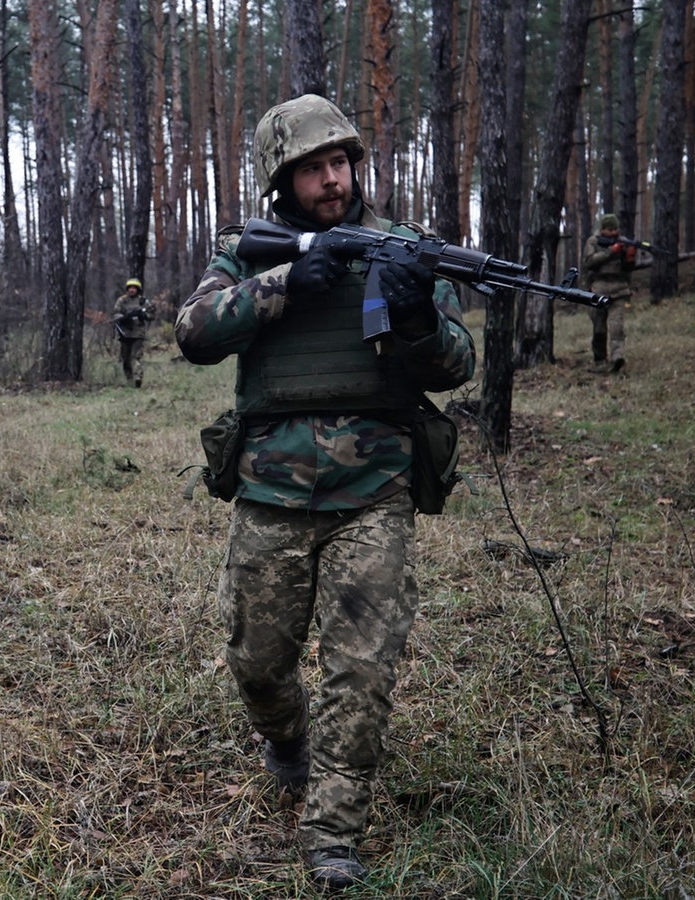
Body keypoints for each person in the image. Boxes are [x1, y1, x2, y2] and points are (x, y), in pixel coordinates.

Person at [175, 94, 475, 891]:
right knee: (258, 663)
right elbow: (195, 332)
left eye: (341, 162)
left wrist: (416, 317)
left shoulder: (404, 249)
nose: (334, 179)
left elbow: (455, 364)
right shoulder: (249, 249)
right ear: (284, 179)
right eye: (314, 167)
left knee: (362, 672)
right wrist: (285, 285)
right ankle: (285, 740)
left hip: (374, 492)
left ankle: (333, 833)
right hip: (270, 491)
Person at [581, 213, 636, 373]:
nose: (613, 233)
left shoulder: (624, 242)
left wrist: (630, 257)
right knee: (599, 328)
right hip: (598, 289)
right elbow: (589, 262)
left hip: (619, 289)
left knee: (617, 327)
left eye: (615, 229)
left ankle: (617, 357)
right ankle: (600, 360)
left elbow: (628, 268)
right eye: (609, 229)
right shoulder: (593, 242)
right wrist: (611, 251)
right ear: (602, 229)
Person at [112, 277, 155, 387]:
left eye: (134, 288)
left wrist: (143, 315)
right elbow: (115, 314)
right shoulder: (121, 301)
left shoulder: (143, 301)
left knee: (136, 357)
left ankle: (138, 379)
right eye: (130, 288)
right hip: (124, 333)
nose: (132, 290)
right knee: (125, 358)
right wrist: (124, 318)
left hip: (138, 334)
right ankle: (129, 379)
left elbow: (151, 314)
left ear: (138, 289)